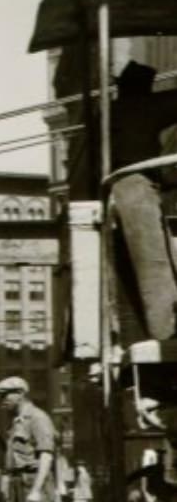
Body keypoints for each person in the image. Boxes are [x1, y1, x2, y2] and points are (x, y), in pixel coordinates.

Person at [107, 61, 177, 340]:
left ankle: (158, 332)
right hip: (135, 186)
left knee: (142, 265)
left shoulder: (114, 110)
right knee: (154, 264)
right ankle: (165, 335)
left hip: (125, 186)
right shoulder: (140, 107)